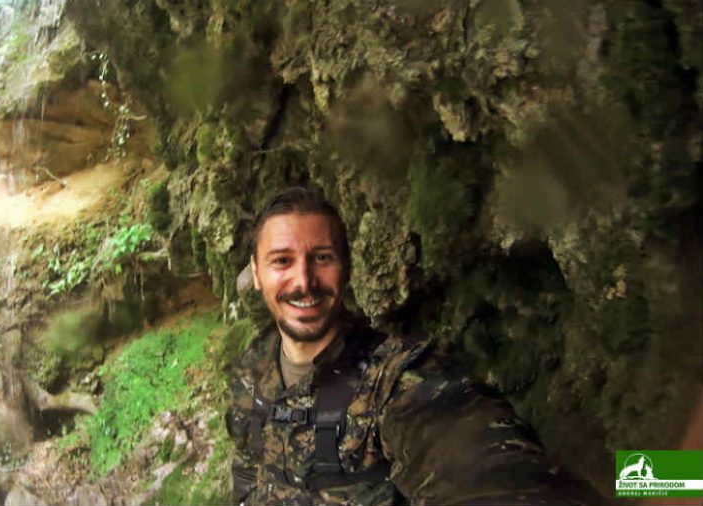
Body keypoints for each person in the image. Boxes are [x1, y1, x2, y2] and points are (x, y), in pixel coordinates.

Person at [225, 186, 601, 505]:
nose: (303, 281)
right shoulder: (251, 369)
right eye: (282, 261)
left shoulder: (394, 381)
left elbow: (481, 462)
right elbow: (247, 469)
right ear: (256, 274)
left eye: (322, 258)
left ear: (347, 267)